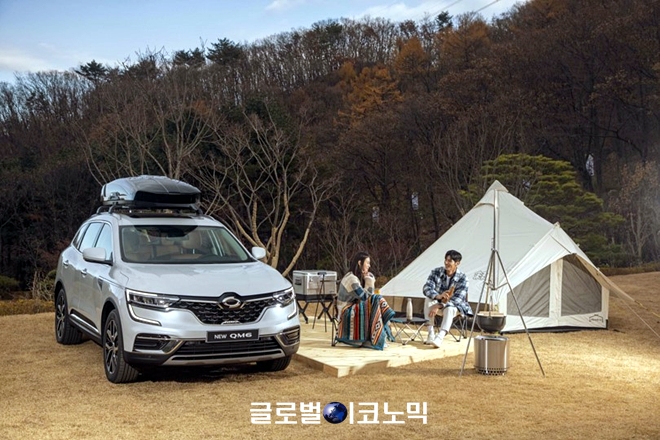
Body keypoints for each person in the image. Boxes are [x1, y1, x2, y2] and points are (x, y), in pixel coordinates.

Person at [336, 251, 395, 350]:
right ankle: (379, 333)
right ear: (360, 263)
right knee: (376, 299)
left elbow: (367, 297)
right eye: (367, 262)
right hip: (345, 311)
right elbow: (365, 297)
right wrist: (370, 281)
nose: (369, 265)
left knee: (376, 300)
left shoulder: (355, 277)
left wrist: (367, 279)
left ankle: (376, 336)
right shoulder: (351, 279)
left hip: (354, 307)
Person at [422, 249, 473, 349]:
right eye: (445, 260)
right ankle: (431, 334)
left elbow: (457, 300)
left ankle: (440, 337)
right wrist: (438, 296)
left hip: (455, 306)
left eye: (450, 261)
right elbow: (426, 288)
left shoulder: (463, 278)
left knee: (450, 308)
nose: (446, 263)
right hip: (438, 301)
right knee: (428, 299)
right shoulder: (436, 272)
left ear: (457, 263)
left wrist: (439, 305)